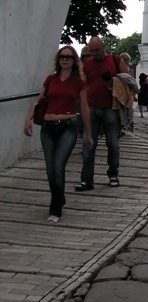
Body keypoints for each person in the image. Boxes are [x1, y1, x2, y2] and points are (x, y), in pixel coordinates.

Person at [24, 46, 93, 223]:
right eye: (62, 56)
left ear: (74, 60)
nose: (65, 60)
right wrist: (28, 120)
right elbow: (39, 100)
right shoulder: (51, 79)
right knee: (50, 169)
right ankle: (59, 197)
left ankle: (55, 209)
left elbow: (84, 108)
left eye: (69, 57)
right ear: (58, 59)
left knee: (58, 166)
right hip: (48, 127)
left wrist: (88, 134)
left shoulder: (79, 82)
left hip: (68, 126)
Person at [75, 36, 128, 191]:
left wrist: (114, 83)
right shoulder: (88, 64)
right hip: (92, 108)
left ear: (103, 47)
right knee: (88, 143)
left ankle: (113, 174)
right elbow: (82, 84)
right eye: (92, 51)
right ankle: (86, 180)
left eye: (97, 50)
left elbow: (128, 79)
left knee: (112, 143)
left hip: (110, 107)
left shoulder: (115, 59)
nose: (95, 53)